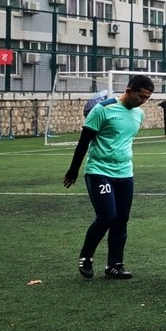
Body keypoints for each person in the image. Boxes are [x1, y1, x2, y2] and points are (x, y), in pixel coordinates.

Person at [64, 74, 155, 280]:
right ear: (129, 90)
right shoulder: (102, 110)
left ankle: (114, 265)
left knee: (121, 219)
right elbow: (84, 142)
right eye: (141, 96)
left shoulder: (139, 114)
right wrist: (73, 170)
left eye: (147, 98)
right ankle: (86, 257)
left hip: (125, 173)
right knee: (107, 216)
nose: (143, 101)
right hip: (99, 171)